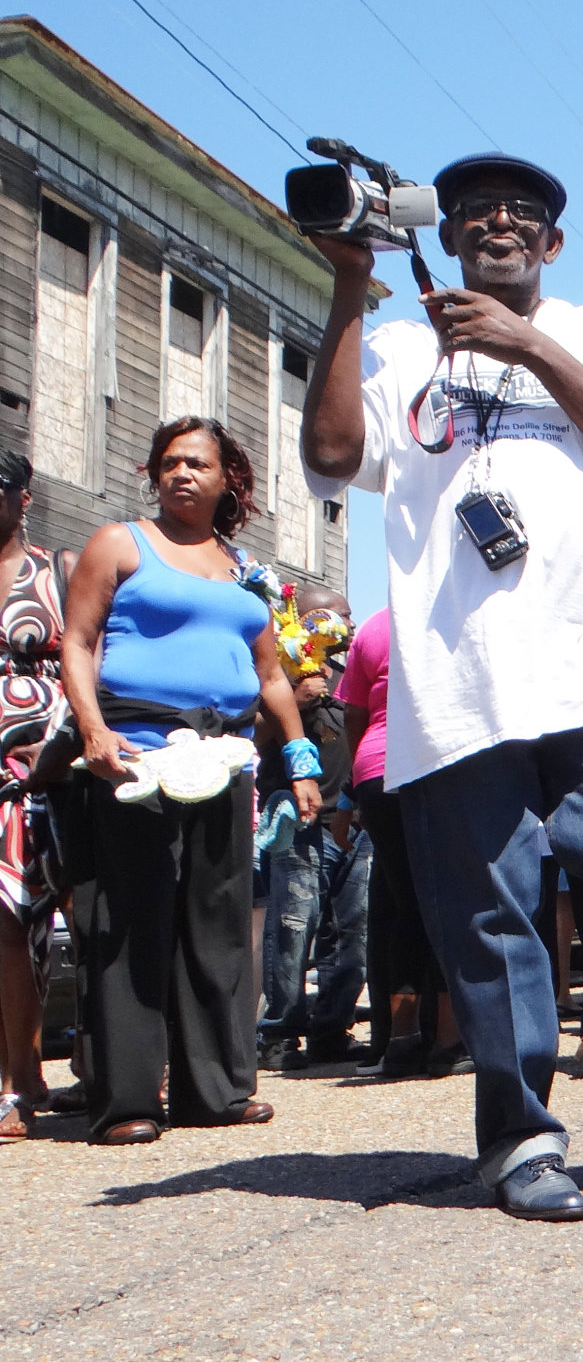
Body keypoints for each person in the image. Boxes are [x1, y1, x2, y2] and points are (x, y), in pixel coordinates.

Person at [301, 152, 583, 1222]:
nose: (498, 220)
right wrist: (346, 288)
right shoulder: (393, 347)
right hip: (456, 683)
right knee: (493, 920)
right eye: (473, 210)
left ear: (551, 245)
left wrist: (527, 344)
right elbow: (333, 455)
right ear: (448, 231)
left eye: (522, 212)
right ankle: (520, 1136)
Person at [59, 417, 320, 1145]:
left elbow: (271, 675)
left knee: (218, 926)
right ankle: (128, 1098)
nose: (181, 474)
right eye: (170, 462)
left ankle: (217, 1091)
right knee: (130, 923)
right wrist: (92, 729)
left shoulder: (244, 570)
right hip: (135, 755)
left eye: (197, 464)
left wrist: (299, 759)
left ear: (226, 479)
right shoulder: (120, 543)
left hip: (225, 759)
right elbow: (77, 643)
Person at [337, 606, 461, 1078]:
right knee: (449, 902)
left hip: (377, 767)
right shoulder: (458, 607)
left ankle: (402, 1038)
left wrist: (359, 776)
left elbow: (354, 711)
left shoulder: (374, 625)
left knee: (406, 906)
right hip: (439, 761)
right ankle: (448, 1040)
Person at [257, 594, 368, 1070]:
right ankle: (280, 1033)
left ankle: (331, 1026)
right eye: (339, 615)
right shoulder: (275, 672)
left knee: (354, 932)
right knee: (292, 928)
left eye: (348, 614)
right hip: (300, 819)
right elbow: (253, 735)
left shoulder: (351, 674)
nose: (348, 622)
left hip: (356, 822)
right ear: (307, 621)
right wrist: (295, 704)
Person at [0, 451, 74, 1140]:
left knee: (85, 915)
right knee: (4, 928)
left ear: (23, 499)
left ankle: (118, 1066)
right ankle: (20, 1080)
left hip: (55, 772)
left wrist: (66, 744)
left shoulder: (58, 571)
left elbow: (88, 657)